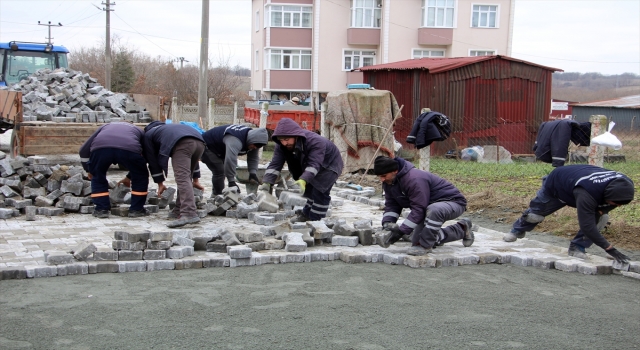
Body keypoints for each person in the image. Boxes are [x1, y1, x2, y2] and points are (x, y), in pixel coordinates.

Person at [503, 164, 634, 264]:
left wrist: (603, 210)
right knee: (535, 215)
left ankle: (577, 247)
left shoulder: (624, 186)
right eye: (614, 203)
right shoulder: (587, 193)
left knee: (601, 218)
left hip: (581, 185)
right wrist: (610, 249)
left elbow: (609, 205)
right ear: (607, 195)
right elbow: (587, 225)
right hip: (558, 186)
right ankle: (517, 229)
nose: (617, 206)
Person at [375, 156, 474, 256]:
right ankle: (462, 229)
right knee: (415, 238)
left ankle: (425, 246)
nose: (382, 179)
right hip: (428, 206)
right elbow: (392, 204)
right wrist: (387, 223)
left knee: (432, 214)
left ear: (395, 171)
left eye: (384, 175)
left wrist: (401, 232)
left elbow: (419, 208)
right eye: (379, 176)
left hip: (452, 202)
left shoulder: (414, 179)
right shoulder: (389, 182)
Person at [259, 118, 343, 223]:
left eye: (287, 139)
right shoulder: (281, 146)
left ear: (296, 136)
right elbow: (275, 164)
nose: (284, 143)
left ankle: (316, 221)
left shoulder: (315, 142)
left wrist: (304, 179)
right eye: (281, 140)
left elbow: (314, 164)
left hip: (330, 164)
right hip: (310, 164)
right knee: (310, 192)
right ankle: (306, 215)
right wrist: (267, 182)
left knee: (320, 191)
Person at [79, 122, 149, 219]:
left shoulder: (104, 127)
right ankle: (136, 209)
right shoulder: (139, 131)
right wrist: (132, 175)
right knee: (140, 176)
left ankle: (101, 210)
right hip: (129, 149)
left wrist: (90, 170)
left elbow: (83, 151)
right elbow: (145, 156)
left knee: (98, 176)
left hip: (101, 149)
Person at [143, 121, 206, 228]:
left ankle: (189, 213)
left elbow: (152, 161)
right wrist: (195, 180)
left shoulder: (148, 135)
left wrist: (160, 184)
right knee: (186, 177)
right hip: (200, 142)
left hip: (182, 143)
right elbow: (192, 164)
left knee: (182, 178)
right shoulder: (169, 128)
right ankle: (178, 209)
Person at [201, 124, 269, 196]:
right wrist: (231, 181)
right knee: (219, 171)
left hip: (220, 149)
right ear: (252, 139)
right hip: (206, 145)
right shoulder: (235, 140)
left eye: (259, 146)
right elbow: (230, 159)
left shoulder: (254, 141)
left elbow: (253, 158)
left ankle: (216, 195)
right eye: (255, 145)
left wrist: (253, 173)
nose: (255, 147)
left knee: (221, 172)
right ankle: (218, 196)